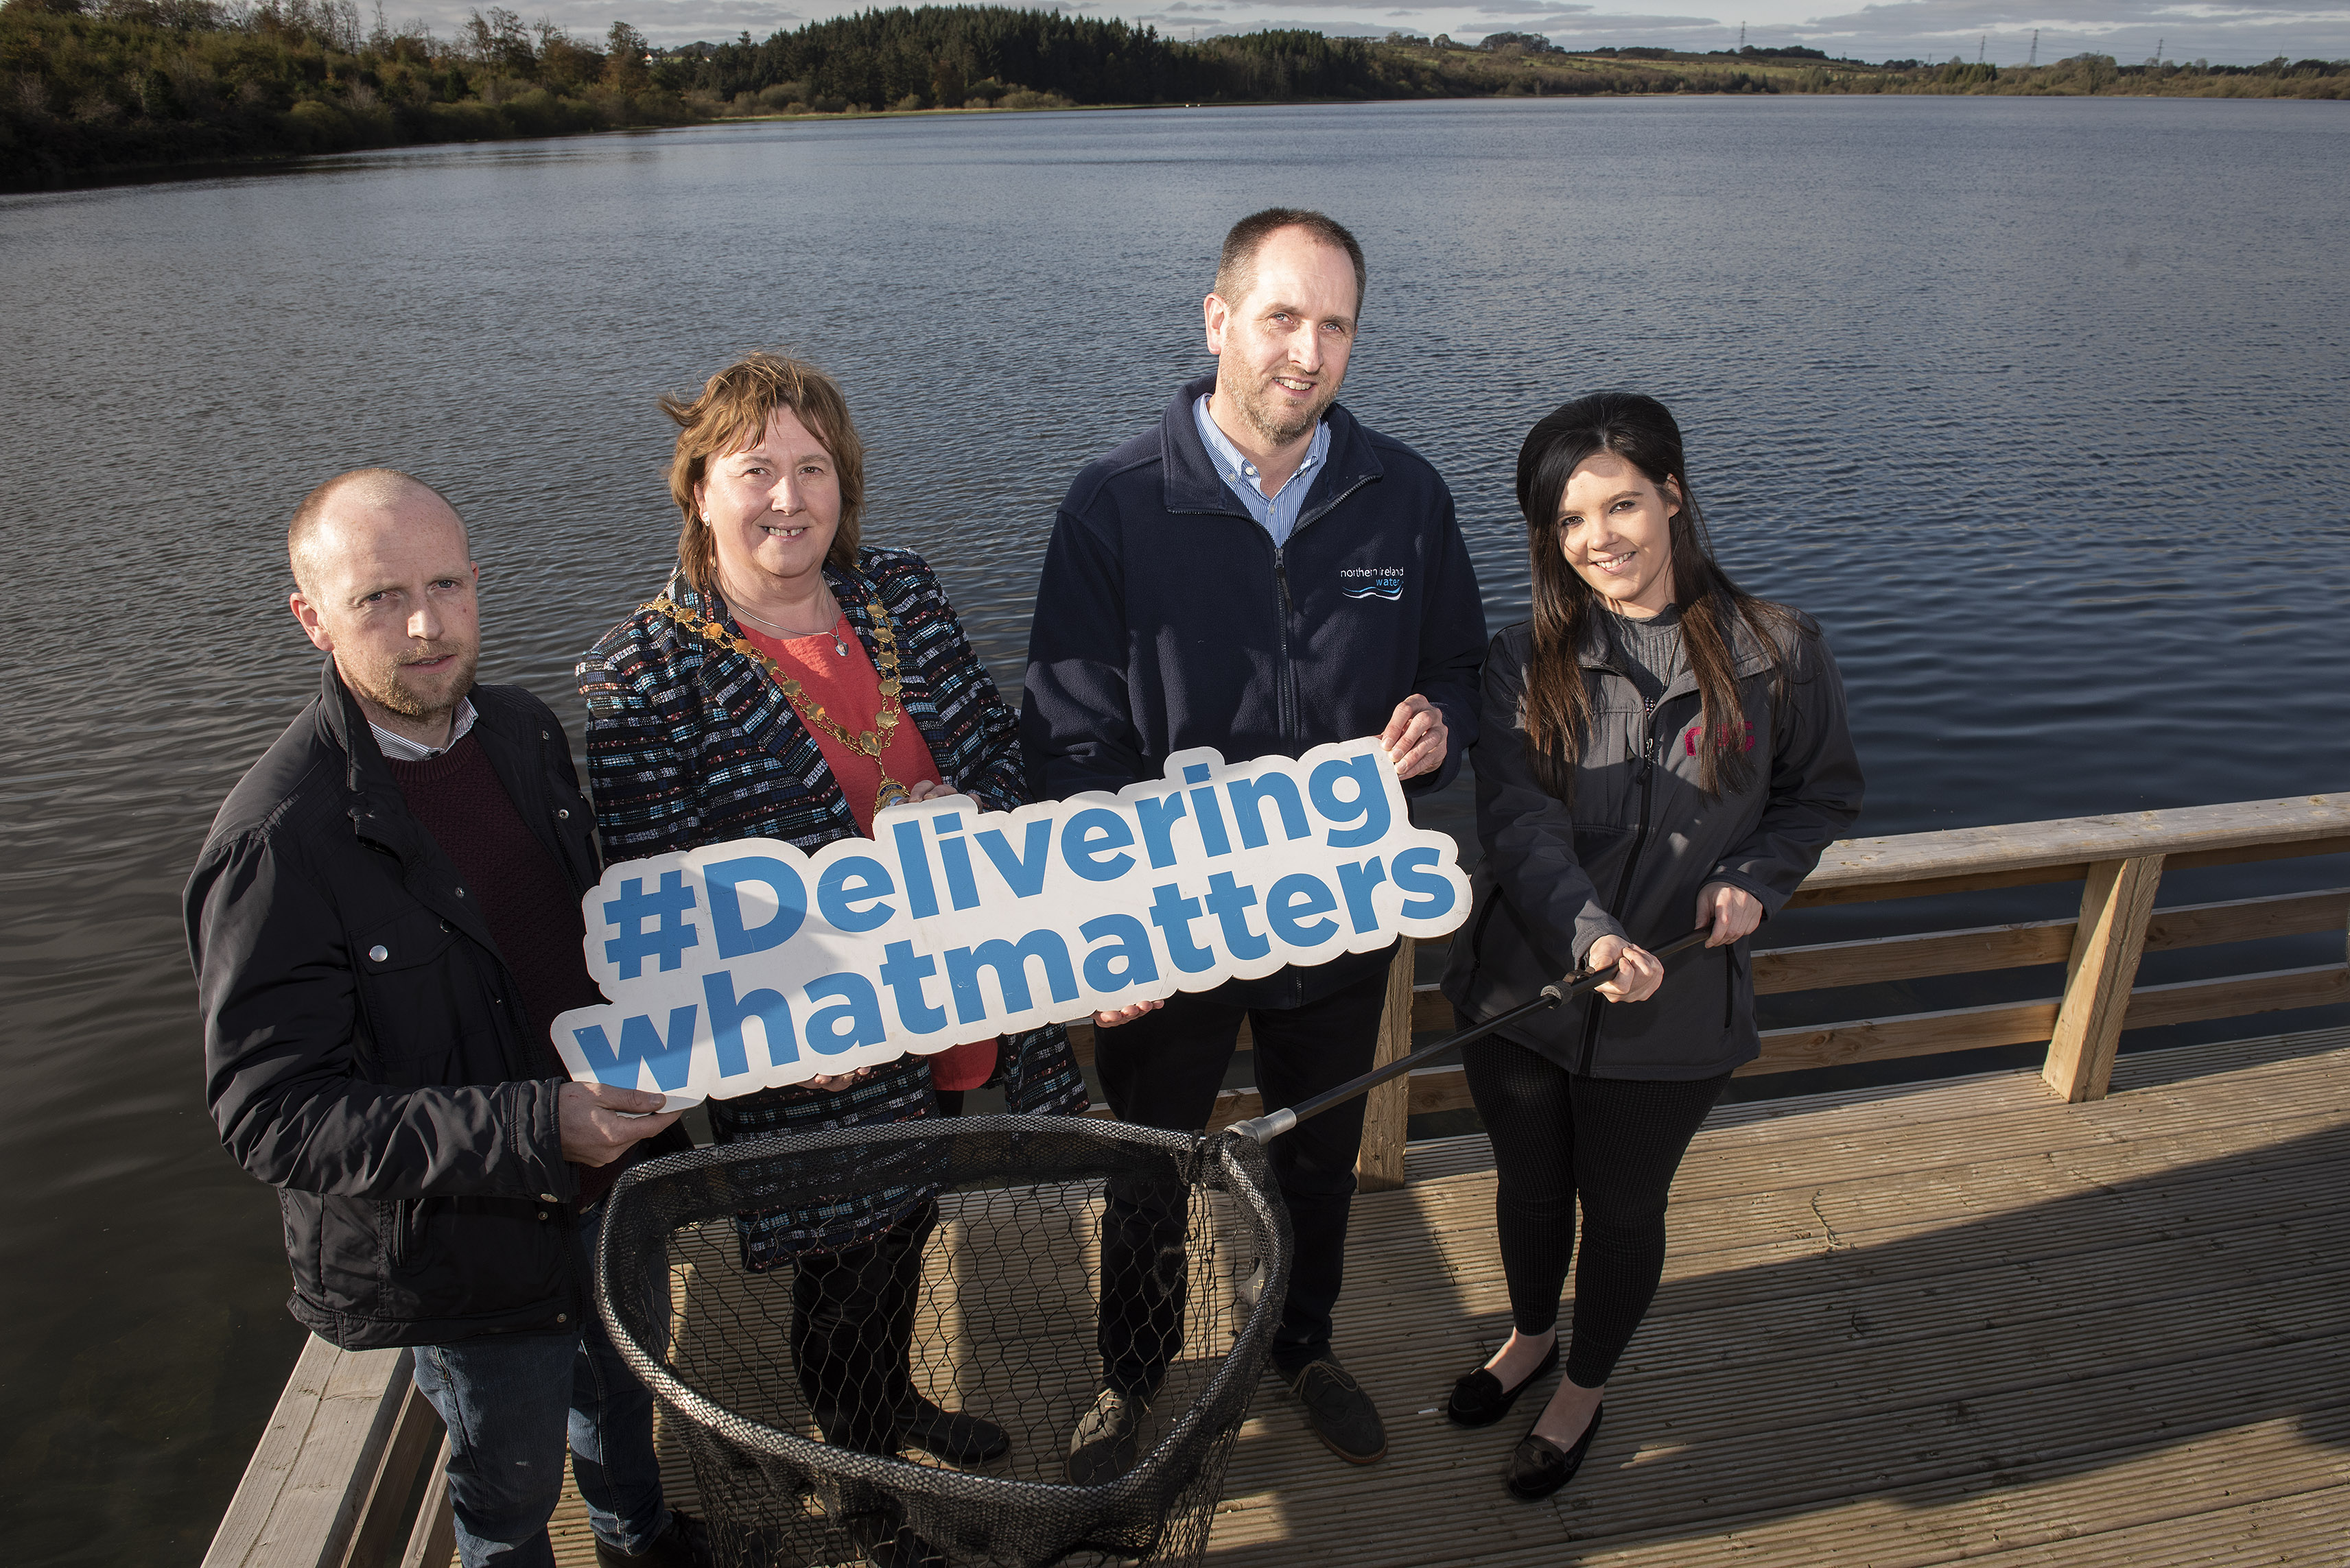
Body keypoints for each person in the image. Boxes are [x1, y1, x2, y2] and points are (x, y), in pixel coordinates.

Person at [577, 353, 1088, 1544]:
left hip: (947, 1004)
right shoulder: (644, 672)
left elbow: (1003, 760)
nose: (788, 499)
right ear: (698, 487)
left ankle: (893, 1402)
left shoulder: (896, 592)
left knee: (909, 1222)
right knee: (842, 1269)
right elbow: (662, 903)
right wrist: (789, 1029)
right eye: (756, 470)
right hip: (815, 1044)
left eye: (814, 469)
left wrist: (974, 826)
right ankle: (863, 1489)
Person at [1022, 207, 1488, 1478]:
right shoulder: (1115, 505)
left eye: (1335, 325)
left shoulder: (1404, 495)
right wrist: (1107, 914)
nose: (1308, 350)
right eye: (1282, 316)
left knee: (1317, 1151)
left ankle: (1303, 1342)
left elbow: (1463, 667)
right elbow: (1069, 738)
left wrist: (1438, 721)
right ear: (1218, 320)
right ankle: (1132, 1379)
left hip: (1338, 909)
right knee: (1149, 1162)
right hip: (1170, 923)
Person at [187, 470, 707, 1567]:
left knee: (622, 1399)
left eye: (444, 584)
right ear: (311, 616)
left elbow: (583, 939)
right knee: (507, 1494)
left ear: (477, 583)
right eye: (378, 597)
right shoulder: (277, 840)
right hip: (465, 1247)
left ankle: (640, 1537)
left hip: (612, 1184)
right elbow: (272, 1115)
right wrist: (535, 1128)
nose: (424, 626)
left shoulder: (520, 731)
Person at [1437, 392, 1864, 1499]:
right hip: (1520, 996)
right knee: (1529, 1189)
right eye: (1569, 522)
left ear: (1671, 495)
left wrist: (1754, 881)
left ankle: (1581, 1384)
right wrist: (1588, 933)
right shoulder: (1518, 662)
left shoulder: (1780, 652)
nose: (1598, 541)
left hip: (1674, 1014)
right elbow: (1519, 826)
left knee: (1622, 1208)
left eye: (1620, 504)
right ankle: (1529, 1334)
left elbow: (1816, 799)